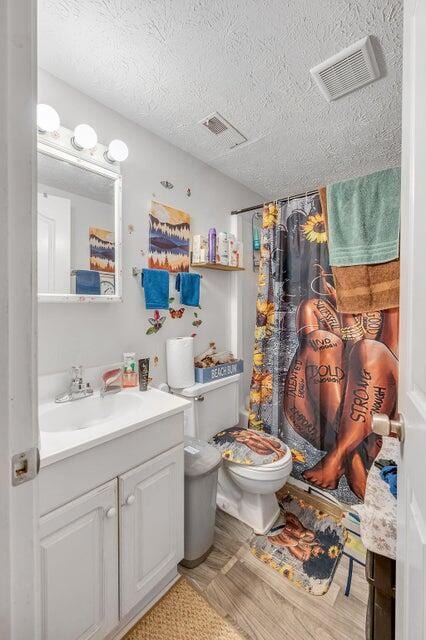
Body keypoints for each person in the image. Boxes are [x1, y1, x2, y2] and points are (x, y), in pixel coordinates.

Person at [283, 267, 398, 499]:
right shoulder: (318, 307)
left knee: (368, 350)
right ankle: (351, 458)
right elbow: (309, 358)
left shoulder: (389, 296)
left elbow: (385, 354)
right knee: (320, 340)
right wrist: (343, 308)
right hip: (322, 419)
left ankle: (339, 456)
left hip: (381, 414)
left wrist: (349, 311)